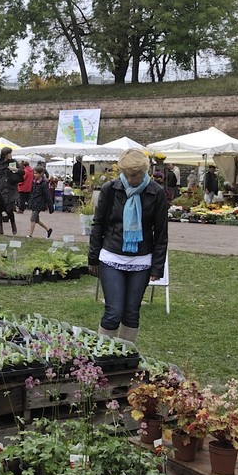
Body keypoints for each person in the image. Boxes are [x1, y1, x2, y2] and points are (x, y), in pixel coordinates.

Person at [88, 148, 169, 345]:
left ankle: (126, 355)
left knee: (131, 313)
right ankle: (102, 354)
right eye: (129, 175)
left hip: (142, 260)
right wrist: (93, 258)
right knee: (113, 312)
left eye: (137, 175)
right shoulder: (110, 189)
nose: (132, 179)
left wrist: (157, 267)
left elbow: (161, 233)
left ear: (145, 171)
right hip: (111, 257)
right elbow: (98, 224)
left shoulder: (156, 193)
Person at [0, 147, 19, 236]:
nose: (11, 155)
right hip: (0, 188)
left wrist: (16, 171)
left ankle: (13, 225)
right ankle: (0, 229)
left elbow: (20, 173)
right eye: (9, 153)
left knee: (9, 209)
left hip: (10, 189)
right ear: (4, 154)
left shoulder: (13, 162)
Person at [27, 162, 54, 238]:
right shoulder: (34, 182)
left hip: (39, 203)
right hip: (34, 202)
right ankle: (48, 229)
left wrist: (50, 206)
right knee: (36, 220)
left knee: (32, 218)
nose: (34, 175)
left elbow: (47, 195)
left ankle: (30, 235)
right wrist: (30, 201)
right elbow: (32, 193)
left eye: (36, 173)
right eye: (34, 173)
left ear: (41, 174)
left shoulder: (44, 184)